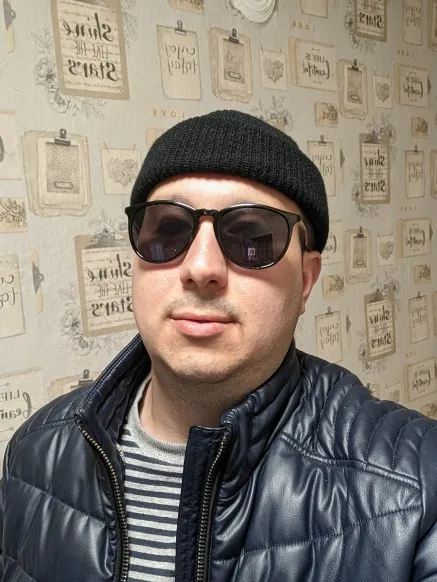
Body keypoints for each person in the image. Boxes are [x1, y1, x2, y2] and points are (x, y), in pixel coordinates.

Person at [1, 110, 437, 582]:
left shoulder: (417, 490)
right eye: (168, 231)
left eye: (253, 239)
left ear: (306, 281)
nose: (201, 268)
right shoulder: (32, 455)